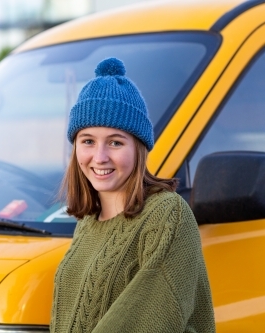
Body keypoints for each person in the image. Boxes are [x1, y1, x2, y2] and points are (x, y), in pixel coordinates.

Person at [51, 58, 215, 333]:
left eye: (115, 142)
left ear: (139, 149)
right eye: (88, 141)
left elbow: (149, 321)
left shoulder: (166, 215)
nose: (99, 157)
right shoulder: (88, 222)